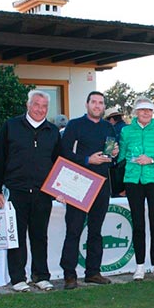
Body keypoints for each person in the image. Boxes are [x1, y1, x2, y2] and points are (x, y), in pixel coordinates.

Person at [0, 90, 60, 292]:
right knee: (16, 236)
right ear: (28, 105)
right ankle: (18, 278)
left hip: (43, 193)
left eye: (44, 106)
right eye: (36, 104)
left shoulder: (53, 131)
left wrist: (60, 189)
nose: (40, 109)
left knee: (40, 236)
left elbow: (59, 163)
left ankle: (41, 276)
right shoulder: (11, 126)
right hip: (16, 191)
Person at [59, 91, 119, 290]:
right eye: (94, 102)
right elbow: (64, 152)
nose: (97, 105)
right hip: (79, 183)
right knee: (74, 229)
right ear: (87, 105)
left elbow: (111, 157)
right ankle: (69, 275)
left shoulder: (108, 127)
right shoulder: (75, 125)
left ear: (104, 107)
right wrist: (87, 160)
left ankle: (93, 272)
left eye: (101, 103)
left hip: (102, 184)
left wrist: (114, 155)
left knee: (96, 230)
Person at [118, 97, 154, 280]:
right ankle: (139, 265)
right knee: (138, 224)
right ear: (136, 112)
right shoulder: (126, 131)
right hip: (133, 181)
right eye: (142, 110)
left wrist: (151, 160)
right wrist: (115, 153)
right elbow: (121, 157)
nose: (146, 113)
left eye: (149, 110)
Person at [105, 106, 128, 197]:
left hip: (118, 167)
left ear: (111, 119)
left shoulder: (111, 130)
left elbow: (108, 151)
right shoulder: (129, 128)